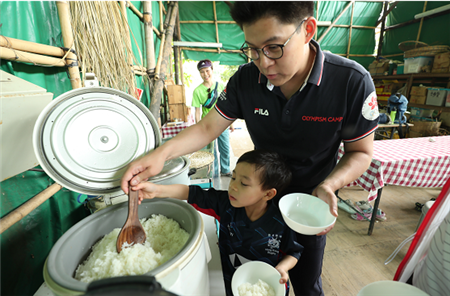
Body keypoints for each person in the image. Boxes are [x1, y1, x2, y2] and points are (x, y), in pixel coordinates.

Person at [122, 2, 379, 295]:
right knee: (246, 278)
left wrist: (330, 185)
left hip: (309, 207)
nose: (263, 63)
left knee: (307, 284)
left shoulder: (350, 82)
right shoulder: (245, 80)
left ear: (307, 30)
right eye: (253, 50)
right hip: (255, 197)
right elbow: (208, 128)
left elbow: (361, 152)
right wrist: (160, 155)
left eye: (273, 48)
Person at [132, 150, 303, 296]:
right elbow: (191, 193)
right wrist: (156, 190)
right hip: (231, 280)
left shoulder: (280, 222)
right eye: (233, 177)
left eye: (243, 183)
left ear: (268, 194)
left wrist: (282, 268)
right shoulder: (226, 205)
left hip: (267, 286)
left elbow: (294, 253)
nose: (233, 186)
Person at [191, 59, 234, 177]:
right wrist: (198, 127)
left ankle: (225, 170)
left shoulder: (221, 86)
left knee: (224, 148)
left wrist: (231, 123)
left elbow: (228, 106)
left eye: (207, 71)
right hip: (207, 125)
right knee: (211, 151)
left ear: (212, 70)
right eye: (202, 72)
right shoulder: (197, 91)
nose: (205, 74)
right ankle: (213, 172)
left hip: (223, 123)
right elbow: (197, 110)